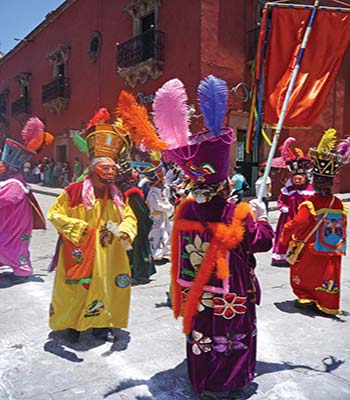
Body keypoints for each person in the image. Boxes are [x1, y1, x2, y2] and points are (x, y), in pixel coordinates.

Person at [152, 76, 274, 398]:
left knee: (203, 334)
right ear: (223, 185)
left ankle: (204, 380)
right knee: (233, 335)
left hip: (199, 292)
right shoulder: (238, 212)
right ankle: (230, 382)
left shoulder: (187, 210)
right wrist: (262, 216)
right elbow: (262, 242)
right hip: (233, 291)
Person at [48, 110, 137, 343]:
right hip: (79, 250)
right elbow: (54, 213)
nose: (111, 172)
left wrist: (126, 229)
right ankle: (72, 325)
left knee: (107, 285)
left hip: (109, 252)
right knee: (75, 288)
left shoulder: (118, 196)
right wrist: (77, 228)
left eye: (113, 168)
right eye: (106, 168)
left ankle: (100, 325)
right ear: (94, 168)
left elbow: (130, 217)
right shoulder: (74, 192)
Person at [280, 129, 349, 314]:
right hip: (331, 248)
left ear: (315, 182)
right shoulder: (338, 203)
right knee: (328, 274)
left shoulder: (309, 204)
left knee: (306, 273)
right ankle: (327, 303)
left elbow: (296, 224)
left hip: (311, 248)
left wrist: (284, 238)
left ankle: (307, 296)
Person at [0, 117, 51, 283]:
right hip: (10, 222)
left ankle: (21, 272)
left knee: (11, 245)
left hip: (14, 225)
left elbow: (6, 198)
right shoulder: (12, 180)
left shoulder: (14, 183)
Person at [271, 138, 314, 267]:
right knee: (286, 236)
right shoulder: (287, 190)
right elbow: (280, 201)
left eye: (300, 178)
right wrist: (283, 207)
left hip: (305, 220)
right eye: (295, 178)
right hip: (288, 218)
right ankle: (283, 258)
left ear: (305, 178)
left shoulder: (311, 191)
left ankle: (303, 257)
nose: (297, 181)